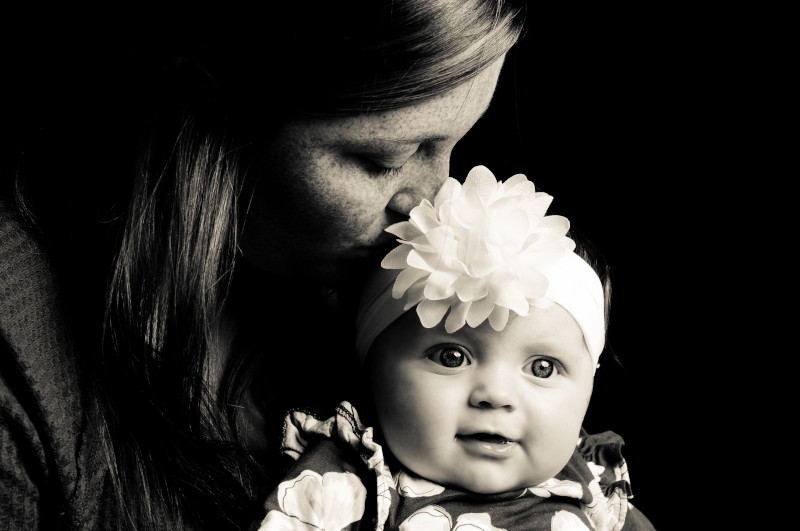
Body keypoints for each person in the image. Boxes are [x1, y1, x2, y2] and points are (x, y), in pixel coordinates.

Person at [0, 2, 528, 529]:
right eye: (382, 161)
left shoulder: (396, 313)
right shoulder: (22, 363)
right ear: (207, 109)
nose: (432, 207)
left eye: (455, 143)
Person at [257, 166, 656, 530]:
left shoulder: (593, 487)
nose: (496, 395)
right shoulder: (345, 482)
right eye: (451, 357)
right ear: (371, 370)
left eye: (542, 368)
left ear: (589, 386)